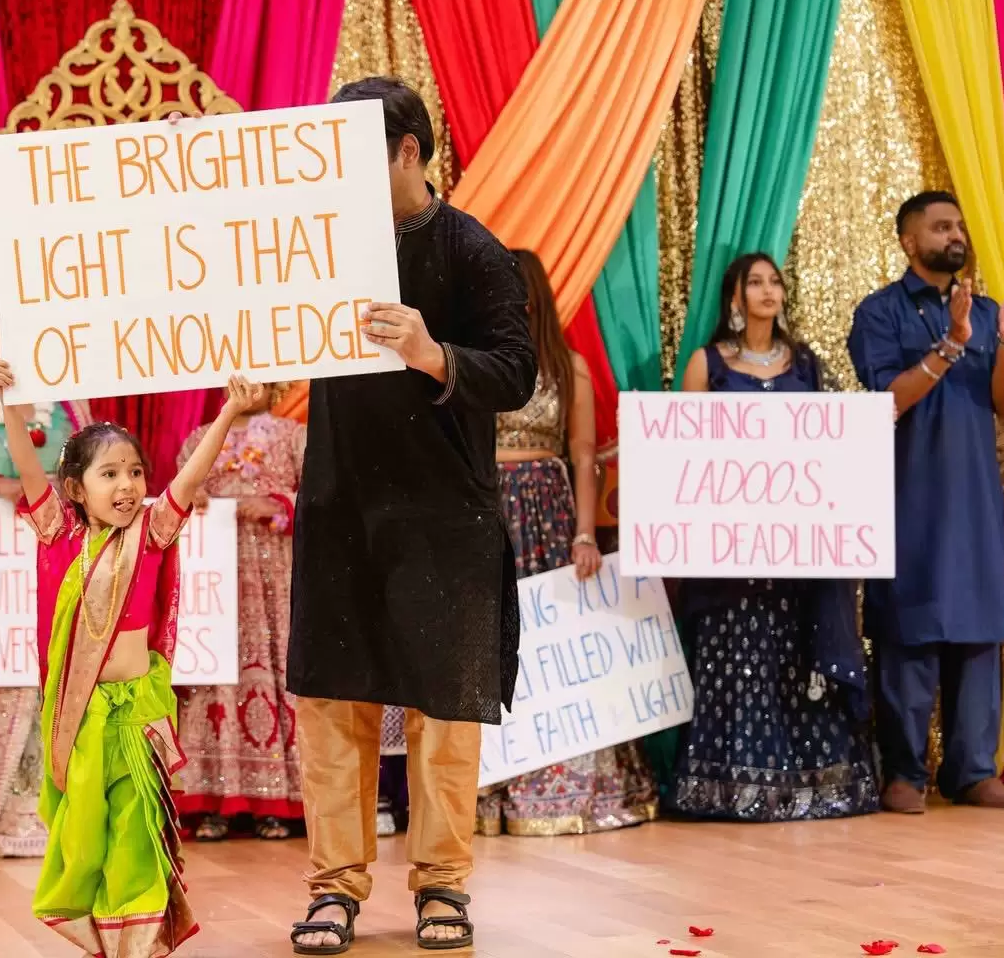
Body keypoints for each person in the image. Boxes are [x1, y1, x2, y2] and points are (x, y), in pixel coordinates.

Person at [286, 77, 537, 955]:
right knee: (332, 696)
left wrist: (432, 353)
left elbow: (517, 372)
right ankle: (334, 888)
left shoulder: (472, 250)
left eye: (355, 152)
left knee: (444, 704)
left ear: (408, 151)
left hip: (443, 512)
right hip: (340, 500)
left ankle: (442, 884)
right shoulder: (316, 243)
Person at [0, 357, 261, 958]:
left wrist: (229, 413)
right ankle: (97, 934)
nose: (127, 486)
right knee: (85, 839)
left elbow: (188, 477)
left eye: (135, 472)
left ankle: (135, 945)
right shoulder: (60, 535)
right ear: (75, 489)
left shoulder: (151, 533)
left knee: (136, 832)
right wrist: (7, 403)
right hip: (81, 718)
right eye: (109, 474)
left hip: (137, 712)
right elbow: (27, 464)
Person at [671, 253, 879, 821]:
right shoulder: (708, 363)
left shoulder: (804, 362)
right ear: (735, 298)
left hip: (795, 539)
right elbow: (681, 451)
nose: (768, 291)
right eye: (755, 282)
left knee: (795, 651)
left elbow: (827, 444)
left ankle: (810, 785)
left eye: (775, 282)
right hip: (730, 540)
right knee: (738, 651)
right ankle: (732, 785)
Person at [477, 249, 658, 836]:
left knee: (548, 643)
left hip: (546, 510)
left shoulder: (565, 364)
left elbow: (583, 455)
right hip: (486, 506)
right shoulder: (478, 359)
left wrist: (585, 533)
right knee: (488, 642)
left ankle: (564, 783)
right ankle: (488, 788)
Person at [848, 192, 1004, 812]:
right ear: (909, 241)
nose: (955, 235)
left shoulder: (987, 311)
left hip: (974, 499)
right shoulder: (880, 312)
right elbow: (887, 399)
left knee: (977, 630)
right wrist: (950, 344)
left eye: (959, 226)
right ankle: (904, 771)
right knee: (908, 628)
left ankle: (972, 771)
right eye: (941, 227)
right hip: (908, 494)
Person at [0, 306, 92, 857]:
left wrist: (43, 487)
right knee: (4, 678)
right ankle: (3, 811)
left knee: (58, 671)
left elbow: (92, 478)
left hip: (59, 559)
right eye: (0, 338)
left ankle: (66, 808)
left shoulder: (68, 410)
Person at [174, 383, 307, 841]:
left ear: (275, 384)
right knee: (214, 678)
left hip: (276, 583)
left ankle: (280, 803)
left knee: (278, 669)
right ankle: (214, 801)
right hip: (213, 586)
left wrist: (278, 505)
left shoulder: (293, 436)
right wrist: (192, 498)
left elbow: (323, 499)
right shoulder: (200, 439)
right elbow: (174, 500)